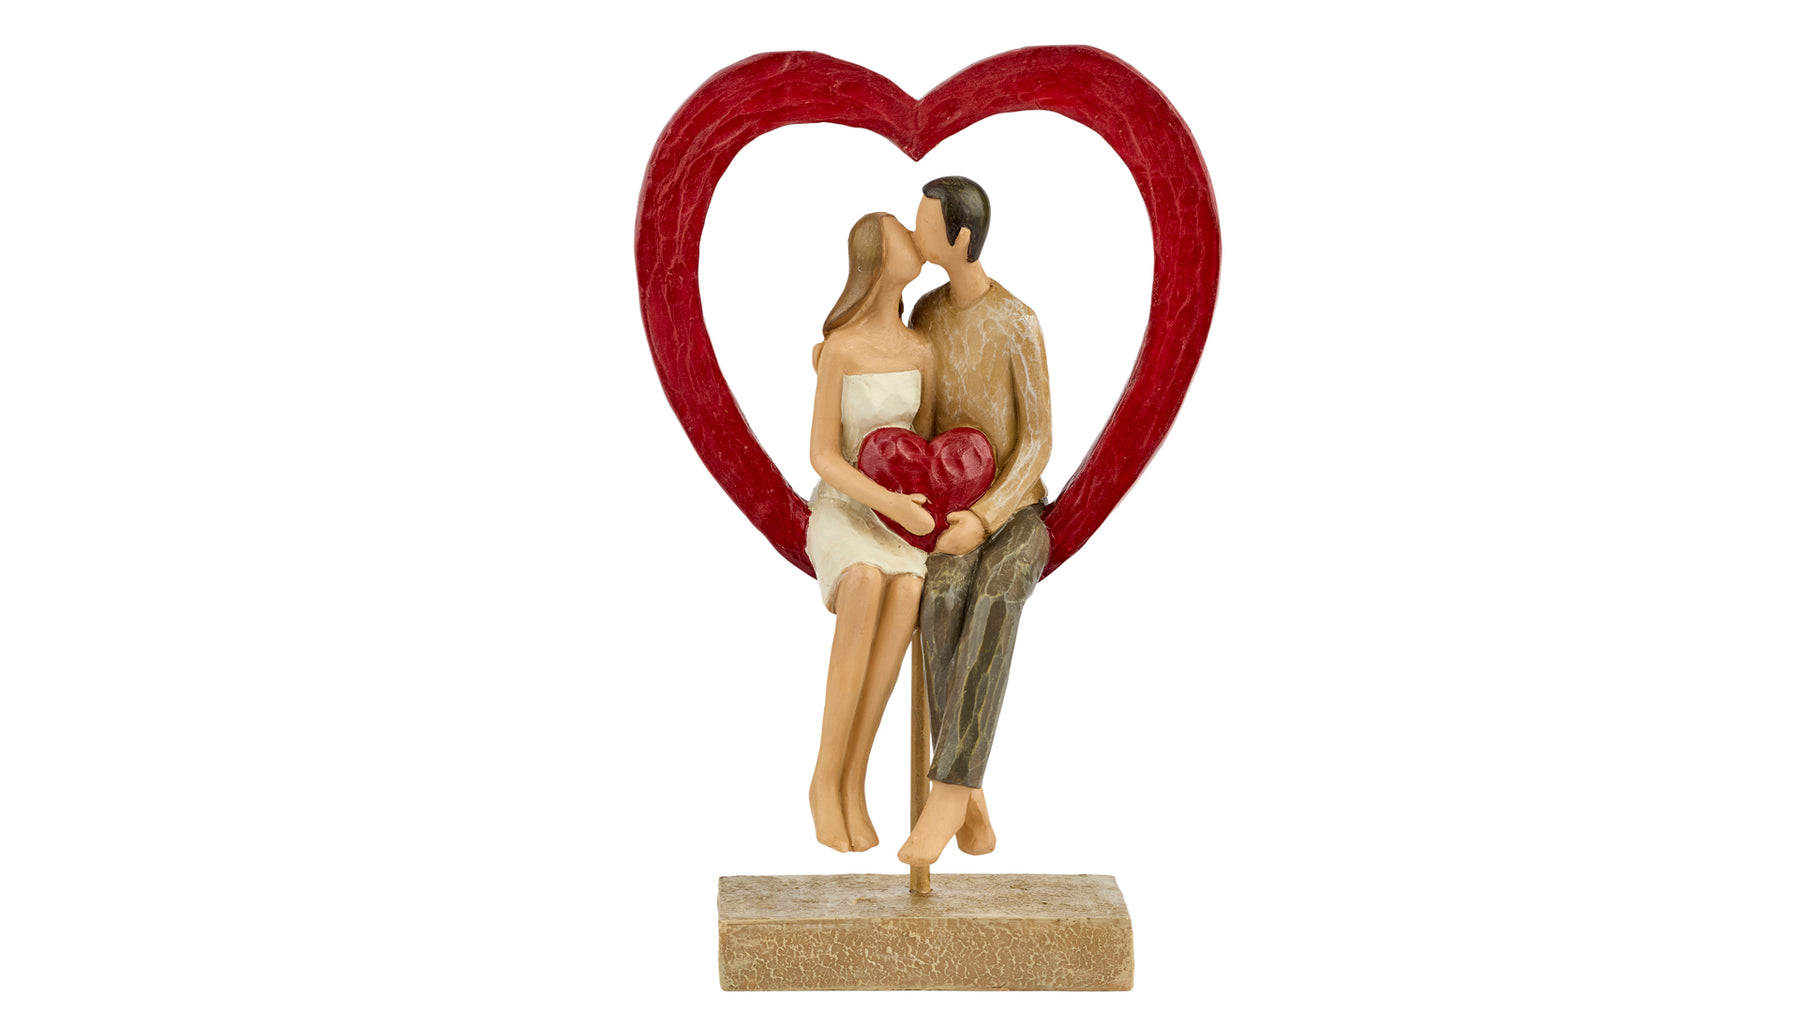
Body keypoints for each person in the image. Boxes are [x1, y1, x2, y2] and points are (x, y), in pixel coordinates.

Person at [897, 177, 1053, 866]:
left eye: (926, 225)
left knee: (995, 593)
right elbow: (922, 418)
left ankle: (948, 793)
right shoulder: (927, 314)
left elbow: (1039, 440)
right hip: (946, 503)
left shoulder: (1017, 321)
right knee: (940, 599)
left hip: (1015, 506)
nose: (916, 233)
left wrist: (986, 518)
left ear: (960, 237)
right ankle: (970, 797)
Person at [804, 212, 937, 853]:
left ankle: (855, 778)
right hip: (847, 505)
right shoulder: (842, 349)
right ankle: (823, 780)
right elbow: (823, 456)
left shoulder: (920, 350)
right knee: (862, 581)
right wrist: (888, 503)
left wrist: (917, 510)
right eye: (900, 232)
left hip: (899, 513)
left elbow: (926, 447)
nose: (915, 237)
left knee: (907, 591)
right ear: (879, 259)